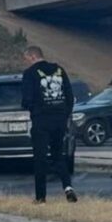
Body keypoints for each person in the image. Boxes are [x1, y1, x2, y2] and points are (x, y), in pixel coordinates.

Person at [21, 46, 78, 203]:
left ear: (32, 57)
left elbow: (27, 100)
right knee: (58, 155)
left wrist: (32, 108)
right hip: (59, 121)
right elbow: (69, 96)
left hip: (41, 121)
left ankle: (41, 197)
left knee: (40, 158)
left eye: (26, 59)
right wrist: (64, 115)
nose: (26, 63)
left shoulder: (30, 74)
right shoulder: (60, 70)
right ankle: (68, 187)